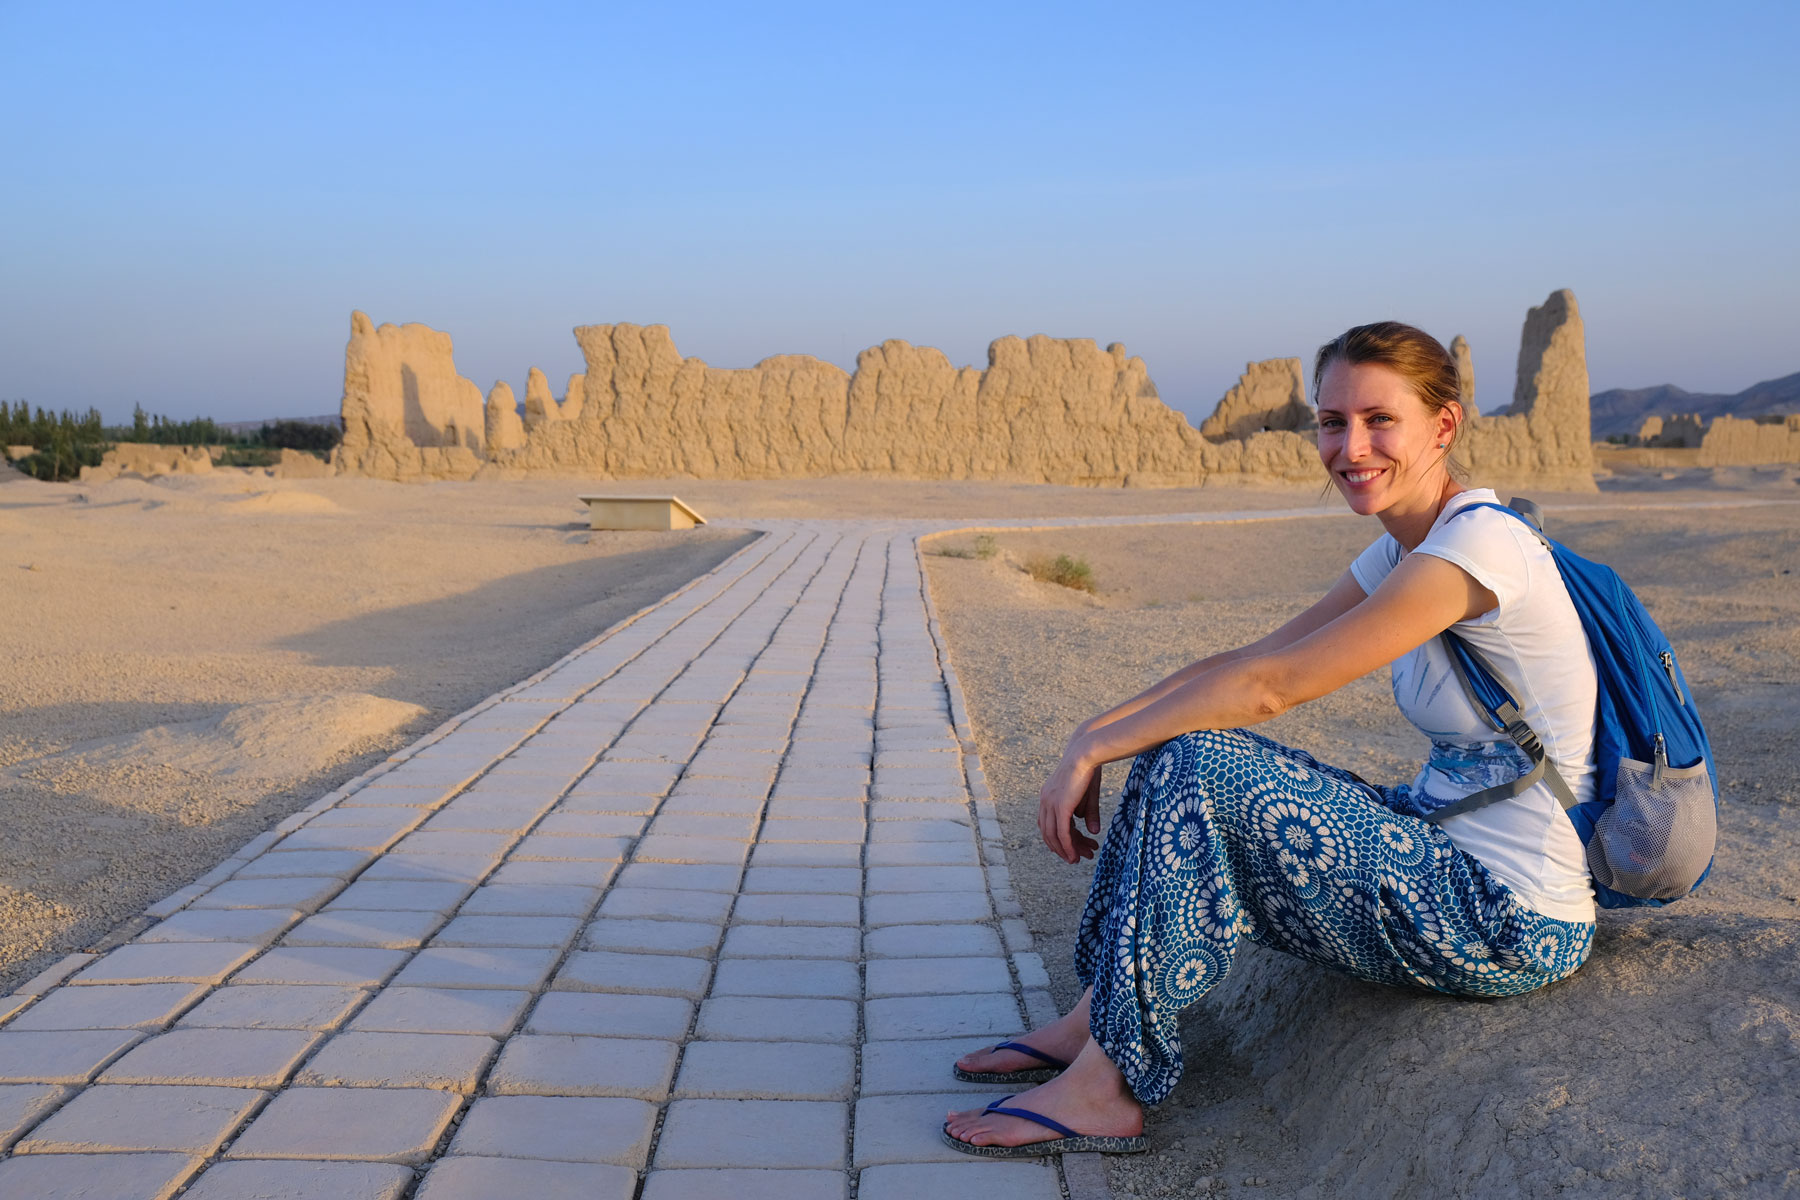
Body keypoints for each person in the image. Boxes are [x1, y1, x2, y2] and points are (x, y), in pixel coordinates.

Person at [944, 321, 1599, 1157]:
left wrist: (1088, 754)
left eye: (1378, 420)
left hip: (1507, 914)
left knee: (1197, 759)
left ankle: (1102, 1091)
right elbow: (1253, 655)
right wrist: (1096, 733)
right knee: (1174, 746)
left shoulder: (1476, 548)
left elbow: (1270, 690)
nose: (1350, 446)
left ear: (1445, 426)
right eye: (1331, 422)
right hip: (1441, 852)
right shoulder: (1409, 547)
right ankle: (1092, 1023)